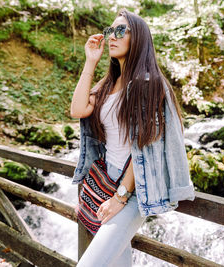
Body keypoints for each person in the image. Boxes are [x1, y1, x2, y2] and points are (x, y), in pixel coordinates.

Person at [70, 8, 195, 267]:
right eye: (109, 31)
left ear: (137, 37)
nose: (112, 36)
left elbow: (145, 146)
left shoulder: (149, 84)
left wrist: (121, 196)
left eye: (120, 30)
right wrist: (90, 62)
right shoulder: (109, 83)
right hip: (107, 179)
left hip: (135, 187)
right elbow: (77, 109)